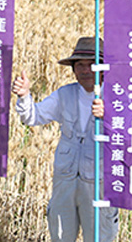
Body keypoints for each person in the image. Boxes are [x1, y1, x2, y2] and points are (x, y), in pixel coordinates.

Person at [12, 37, 119, 242]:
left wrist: (110, 117)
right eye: (79, 65)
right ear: (73, 69)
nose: (86, 70)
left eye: (92, 64)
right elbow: (33, 117)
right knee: (60, 237)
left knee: (100, 238)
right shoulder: (64, 94)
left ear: (104, 67)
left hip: (100, 185)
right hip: (65, 182)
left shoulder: (118, 98)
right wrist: (25, 96)